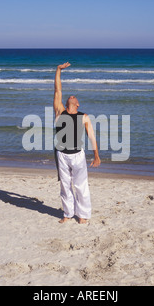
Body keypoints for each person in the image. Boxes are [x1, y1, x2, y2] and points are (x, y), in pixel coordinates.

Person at [54, 62, 101, 224]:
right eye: (70, 96)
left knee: (81, 186)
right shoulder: (60, 111)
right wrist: (58, 70)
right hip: (62, 154)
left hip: (78, 155)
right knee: (65, 186)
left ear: (78, 104)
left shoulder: (84, 116)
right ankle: (67, 213)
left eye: (75, 97)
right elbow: (57, 90)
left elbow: (92, 137)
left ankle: (83, 215)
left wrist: (96, 156)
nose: (72, 95)